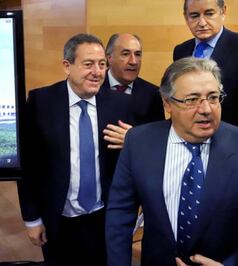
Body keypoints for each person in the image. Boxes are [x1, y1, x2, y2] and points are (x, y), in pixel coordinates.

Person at [106, 57, 238, 266]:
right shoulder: (138, 142)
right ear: (167, 103)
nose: (206, 109)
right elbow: (120, 214)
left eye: (213, 97)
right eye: (192, 99)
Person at [17, 33, 135, 266]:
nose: (97, 72)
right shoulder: (41, 102)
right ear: (67, 66)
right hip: (58, 217)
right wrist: (31, 218)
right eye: (88, 64)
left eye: (102, 64)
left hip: (104, 217)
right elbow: (29, 165)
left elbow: (133, 163)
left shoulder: (120, 104)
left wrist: (133, 140)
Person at [173, 0, 238, 126]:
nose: (202, 23)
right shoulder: (180, 51)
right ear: (186, 17)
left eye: (209, 14)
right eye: (194, 15)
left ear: (223, 11)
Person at [104, 33, 165, 124]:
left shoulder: (153, 94)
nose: (133, 61)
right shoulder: (94, 87)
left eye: (137, 54)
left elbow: (158, 134)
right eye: (125, 54)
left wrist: (133, 136)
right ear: (109, 57)